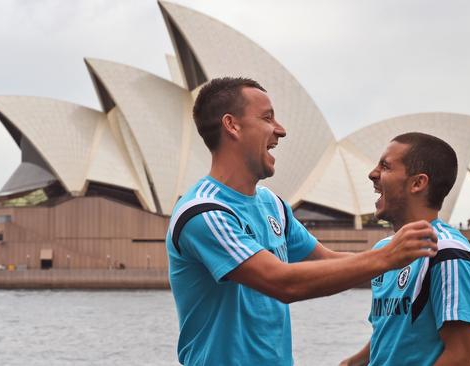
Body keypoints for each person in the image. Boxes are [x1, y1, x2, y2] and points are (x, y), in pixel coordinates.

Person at [165, 77, 439, 366]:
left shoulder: (272, 205)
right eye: (267, 118)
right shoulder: (204, 212)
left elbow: (326, 261)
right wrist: (388, 257)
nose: (280, 130)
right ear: (232, 125)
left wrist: (418, 270)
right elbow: (283, 283)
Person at [340, 132, 470, 366]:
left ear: (418, 183)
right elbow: (392, 329)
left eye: (385, 166)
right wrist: (355, 362)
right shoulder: (385, 250)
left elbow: (461, 356)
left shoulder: (447, 253)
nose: (372, 174)